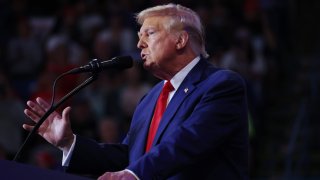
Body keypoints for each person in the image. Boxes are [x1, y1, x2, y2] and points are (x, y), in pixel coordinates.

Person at [23, 4, 249, 180]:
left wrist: (135, 174)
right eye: (139, 36)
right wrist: (69, 143)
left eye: (149, 34)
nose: (139, 44)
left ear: (180, 40)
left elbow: (187, 141)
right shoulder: (149, 99)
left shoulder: (221, 84)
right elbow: (129, 156)